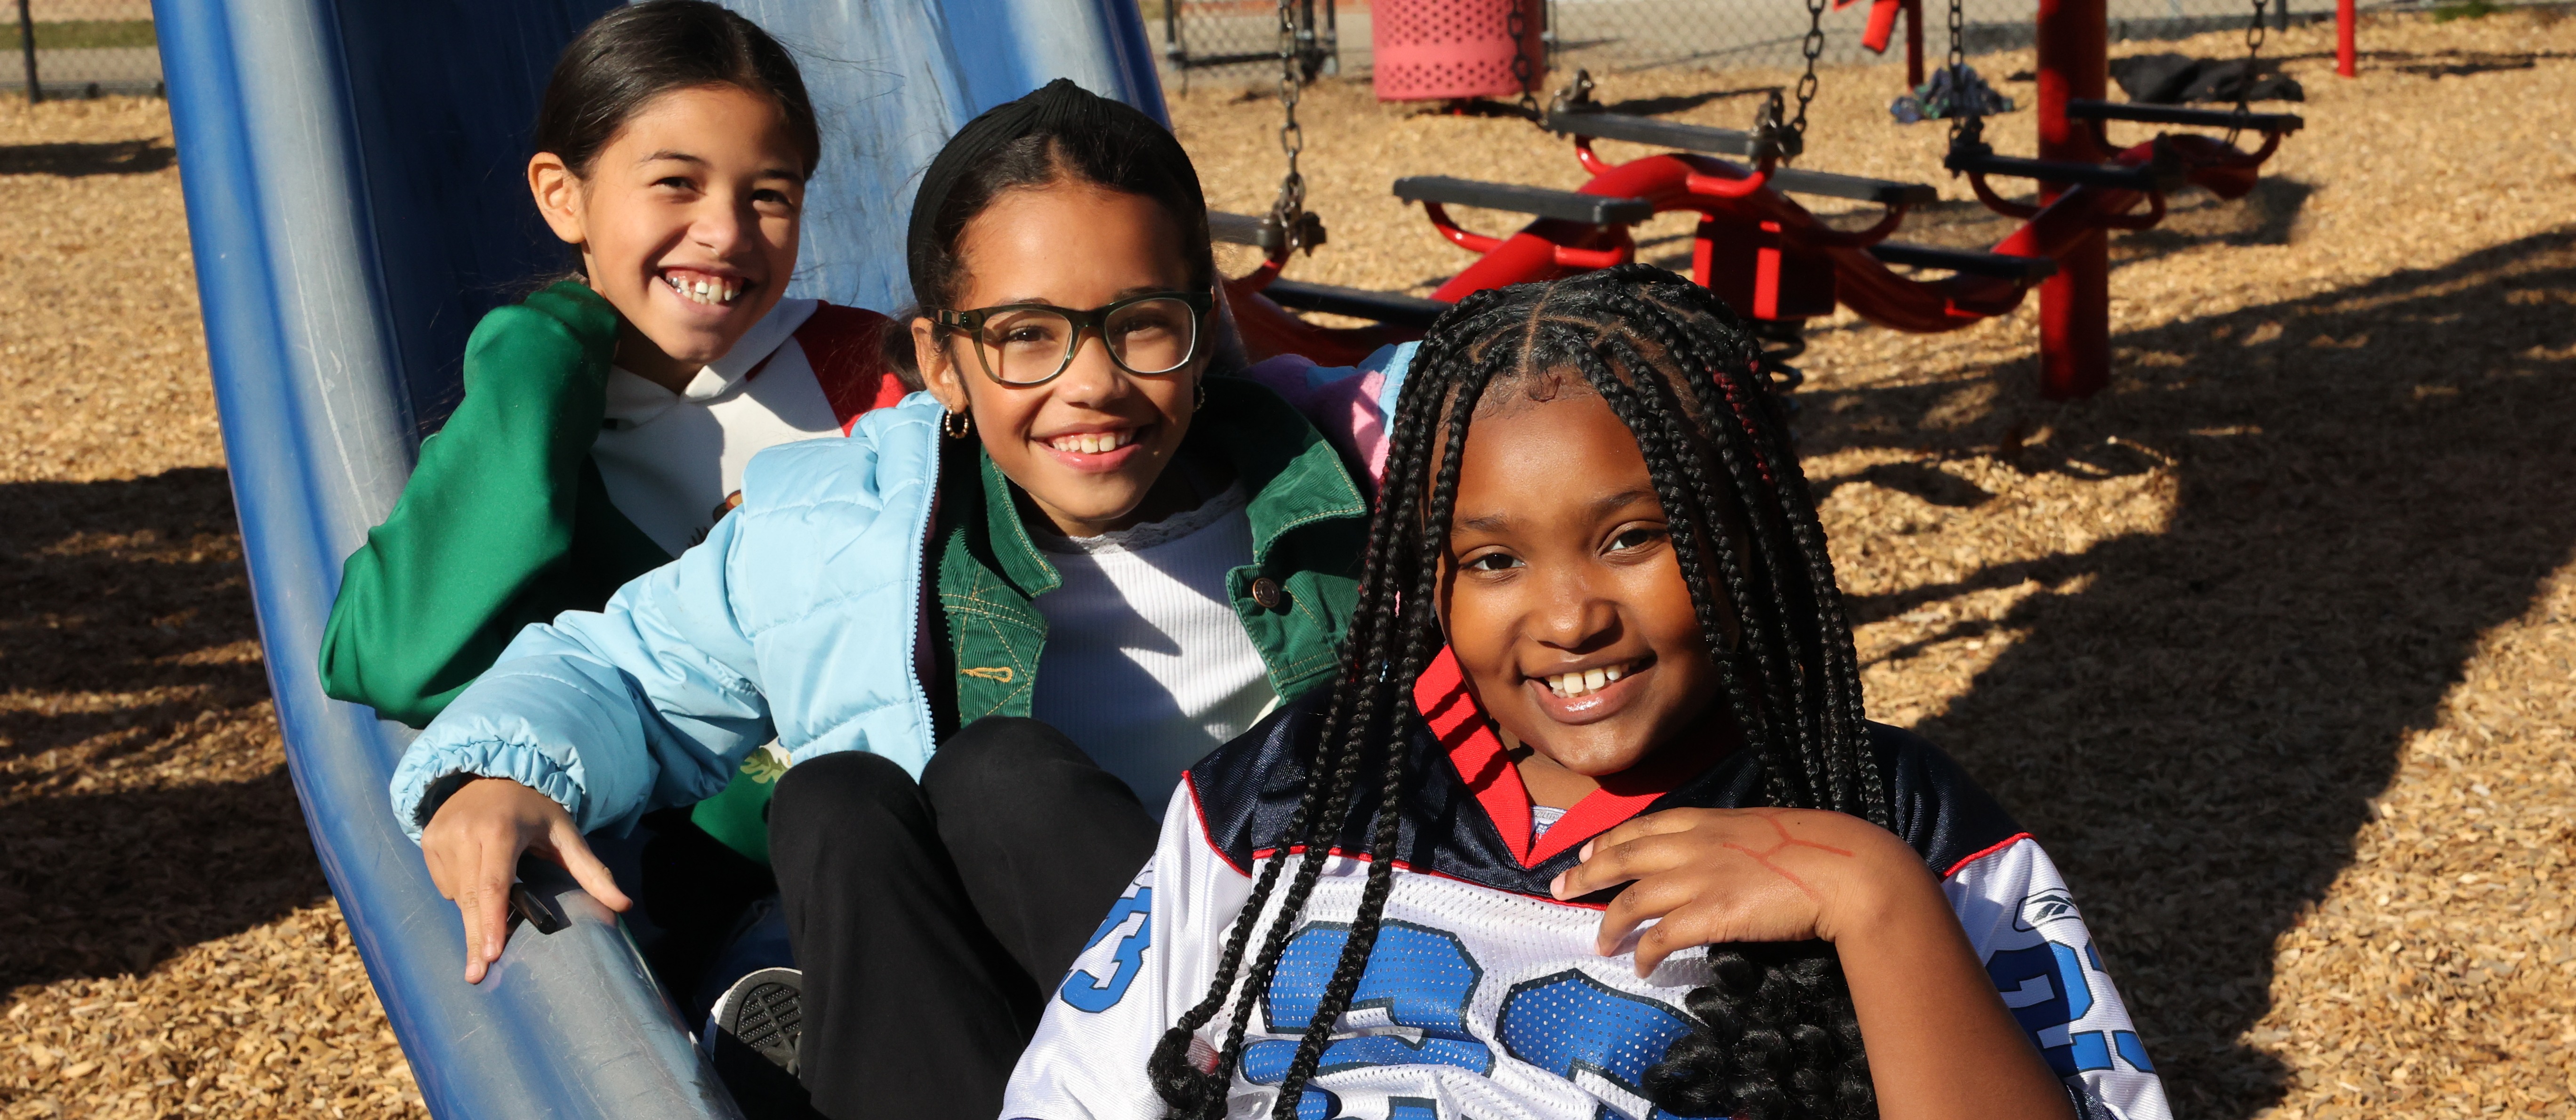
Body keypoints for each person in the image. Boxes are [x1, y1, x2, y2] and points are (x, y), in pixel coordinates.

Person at [384, 79, 1386, 1120]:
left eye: (1140, 325)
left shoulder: (1345, 476)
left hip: (1265, 1016)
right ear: (942, 363)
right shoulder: (844, 531)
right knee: (836, 800)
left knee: (1004, 778)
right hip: (1006, 1043)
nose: (1091, 382)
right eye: (1027, 336)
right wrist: (496, 770)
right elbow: (618, 666)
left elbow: (1535, 438)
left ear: (1204, 324)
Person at [1003, 268, 2173, 1120]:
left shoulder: (1897, 819)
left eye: (1631, 537)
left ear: (1749, 532)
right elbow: (1077, 1096)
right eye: (1493, 560)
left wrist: (1878, 901)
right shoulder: (1290, 789)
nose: (1568, 616)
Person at [317, 0, 902, 1028]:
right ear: (564, 194)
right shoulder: (545, 406)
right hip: (675, 882)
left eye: (771, 195)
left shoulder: (868, 377)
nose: (724, 230)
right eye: (675, 182)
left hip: (878, 835)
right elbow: (393, 656)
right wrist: (540, 354)